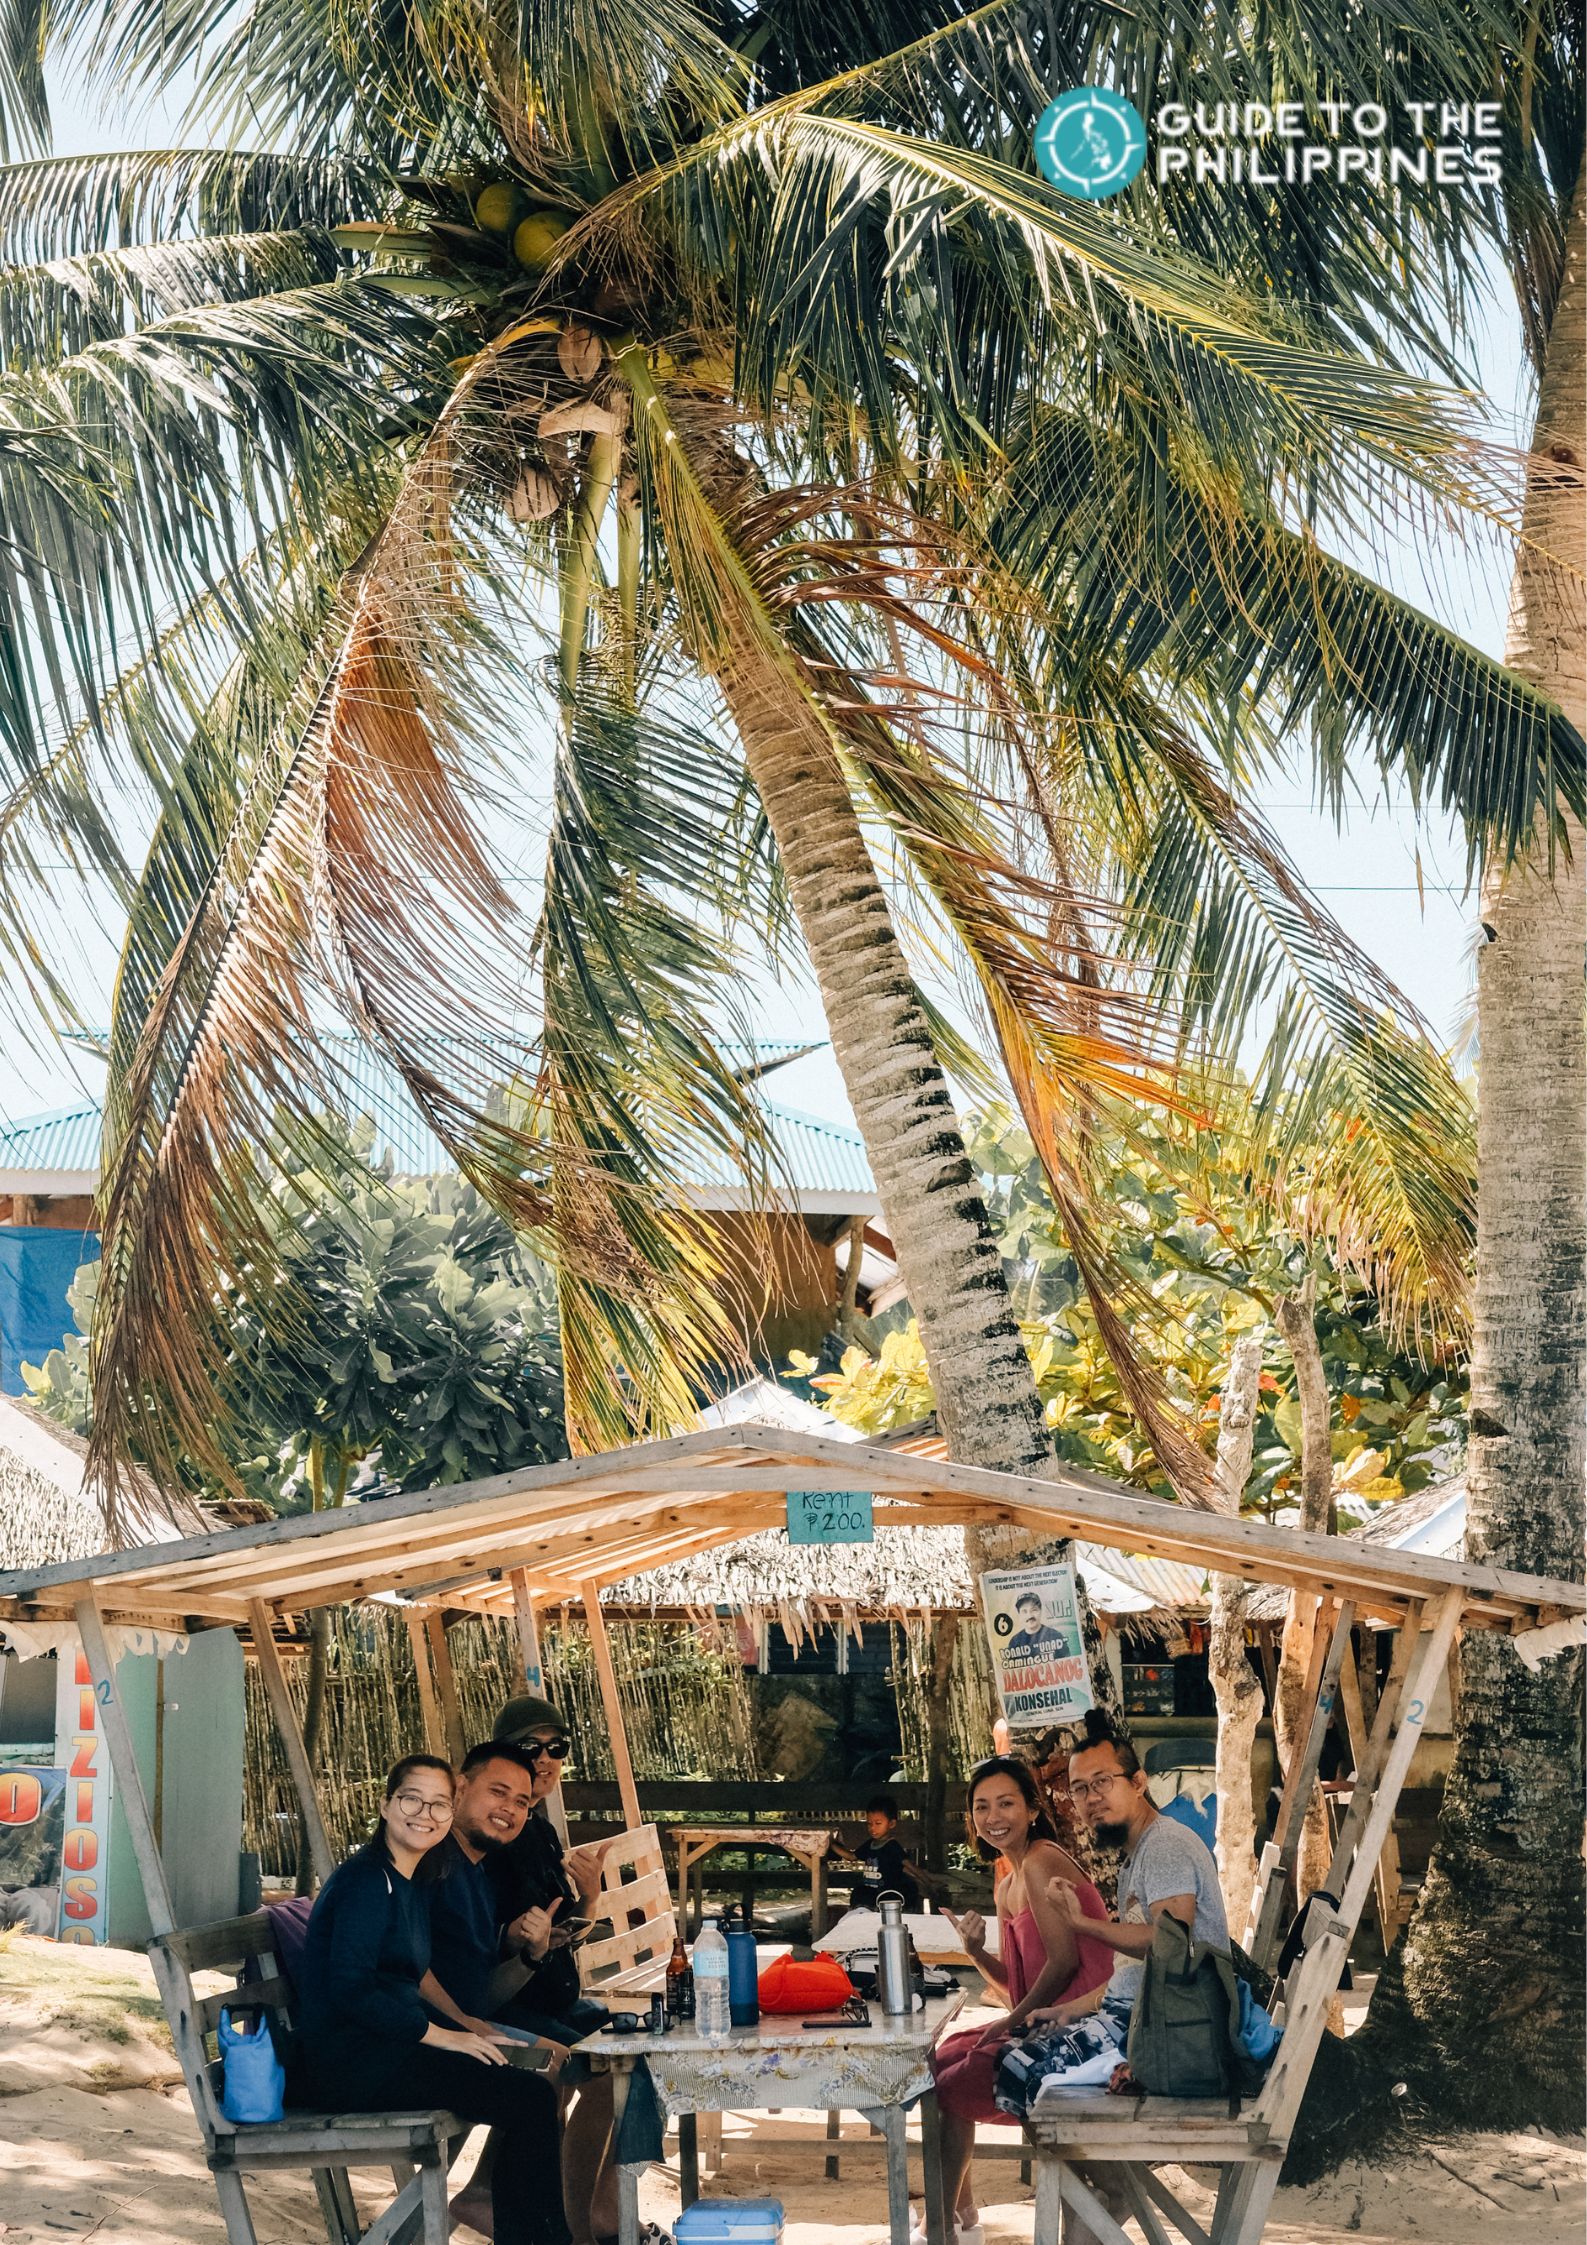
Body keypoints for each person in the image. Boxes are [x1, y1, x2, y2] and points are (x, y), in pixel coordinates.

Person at [295, 1753, 570, 2245]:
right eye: (411, 1800)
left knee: (531, 2087)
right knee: (526, 2100)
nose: (425, 1815)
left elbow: (410, 1974)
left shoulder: (410, 1878)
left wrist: (462, 2028)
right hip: (349, 2065)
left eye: (439, 1805)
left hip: (387, 2050)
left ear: (452, 1809)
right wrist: (443, 2036)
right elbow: (352, 1989)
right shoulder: (365, 1880)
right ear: (385, 1805)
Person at [917, 1756, 1112, 2245]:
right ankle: (959, 2215)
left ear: (1031, 1809)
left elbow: (1064, 1963)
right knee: (939, 2059)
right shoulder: (1007, 1883)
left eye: (1006, 1803)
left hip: (1084, 2027)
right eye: (981, 1807)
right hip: (1042, 2020)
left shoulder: (1044, 1858)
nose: (993, 1816)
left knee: (956, 2078)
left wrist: (1004, 2026)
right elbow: (1018, 1989)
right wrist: (975, 1951)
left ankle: (940, 2225)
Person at [1024, 1709, 1229, 2094]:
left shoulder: (1166, 1844)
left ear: (1138, 1782)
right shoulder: (1136, 1855)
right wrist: (1069, 2009)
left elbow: (1171, 1944)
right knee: (1019, 2057)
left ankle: (1112, 2156)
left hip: (1175, 2033)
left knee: (1025, 2072)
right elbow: (1136, 1976)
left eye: (1102, 1782)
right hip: (1142, 2019)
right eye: (1080, 1788)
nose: (1091, 1798)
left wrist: (1082, 1923)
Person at [485, 1697, 624, 2245]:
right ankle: (580, 2225)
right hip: (511, 2002)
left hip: (549, 1996)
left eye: (555, 1749)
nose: (545, 1759)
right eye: (530, 1748)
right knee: (600, 2074)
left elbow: (559, 1928)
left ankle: (598, 2215)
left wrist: (589, 1897)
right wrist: (526, 1942)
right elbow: (494, 1939)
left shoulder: (537, 1829)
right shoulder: (494, 1836)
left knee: (639, 2052)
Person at [831, 1792, 931, 1912]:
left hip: (889, 1892)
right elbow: (851, 1857)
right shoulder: (870, 1844)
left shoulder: (892, 1846)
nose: (872, 1828)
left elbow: (910, 1866)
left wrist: (929, 1883)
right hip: (872, 1891)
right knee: (858, 1893)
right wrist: (830, 1843)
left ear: (892, 1824)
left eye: (878, 1823)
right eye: (869, 1824)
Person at [1004, 1590, 1063, 1661]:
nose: (1030, 1615)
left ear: (1040, 1611)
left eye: (1034, 1610)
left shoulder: (1056, 1636)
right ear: (1019, 1614)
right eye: (1024, 1611)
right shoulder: (1014, 1641)